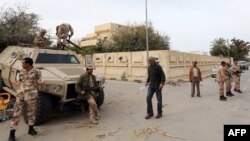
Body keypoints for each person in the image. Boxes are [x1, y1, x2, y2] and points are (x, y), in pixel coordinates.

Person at [8, 58, 42, 141]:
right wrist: (19, 84)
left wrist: (33, 89)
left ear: (28, 64)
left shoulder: (37, 72)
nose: (22, 65)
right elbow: (19, 80)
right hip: (21, 94)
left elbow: (40, 82)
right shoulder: (21, 71)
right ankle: (12, 134)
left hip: (31, 94)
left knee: (31, 112)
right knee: (16, 113)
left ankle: (31, 129)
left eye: (23, 63)